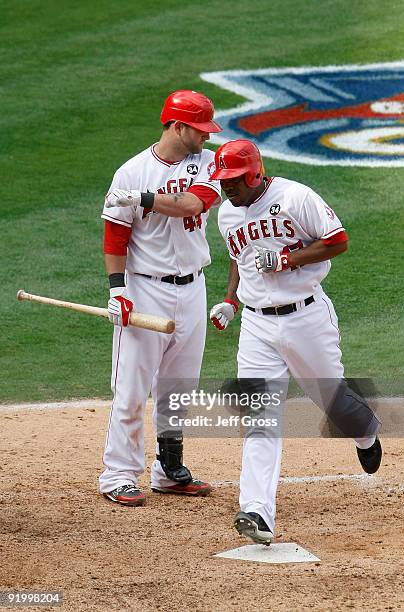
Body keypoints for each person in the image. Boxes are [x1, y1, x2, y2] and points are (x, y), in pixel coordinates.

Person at [209, 139, 382, 545]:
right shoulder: (226, 215)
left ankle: (365, 432)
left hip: (306, 317)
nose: (226, 187)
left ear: (253, 173)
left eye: (233, 180)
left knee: (334, 402)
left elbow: (338, 240)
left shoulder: (295, 197)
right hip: (256, 326)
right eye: (222, 180)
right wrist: (230, 300)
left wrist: (287, 260)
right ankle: (256, 511)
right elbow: (239, 256)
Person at [99, 90, 222, 506]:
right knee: (131, 386)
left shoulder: (207, 163)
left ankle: (169, 471)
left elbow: (192, 203)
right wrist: (118, 291)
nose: (206, 137)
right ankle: (118, 473)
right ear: (177, 126)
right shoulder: (130, 172)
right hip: (144, 287)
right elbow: (115, 236)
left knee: (178, 388)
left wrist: (147, 200)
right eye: (200, 130)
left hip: (193, 287)